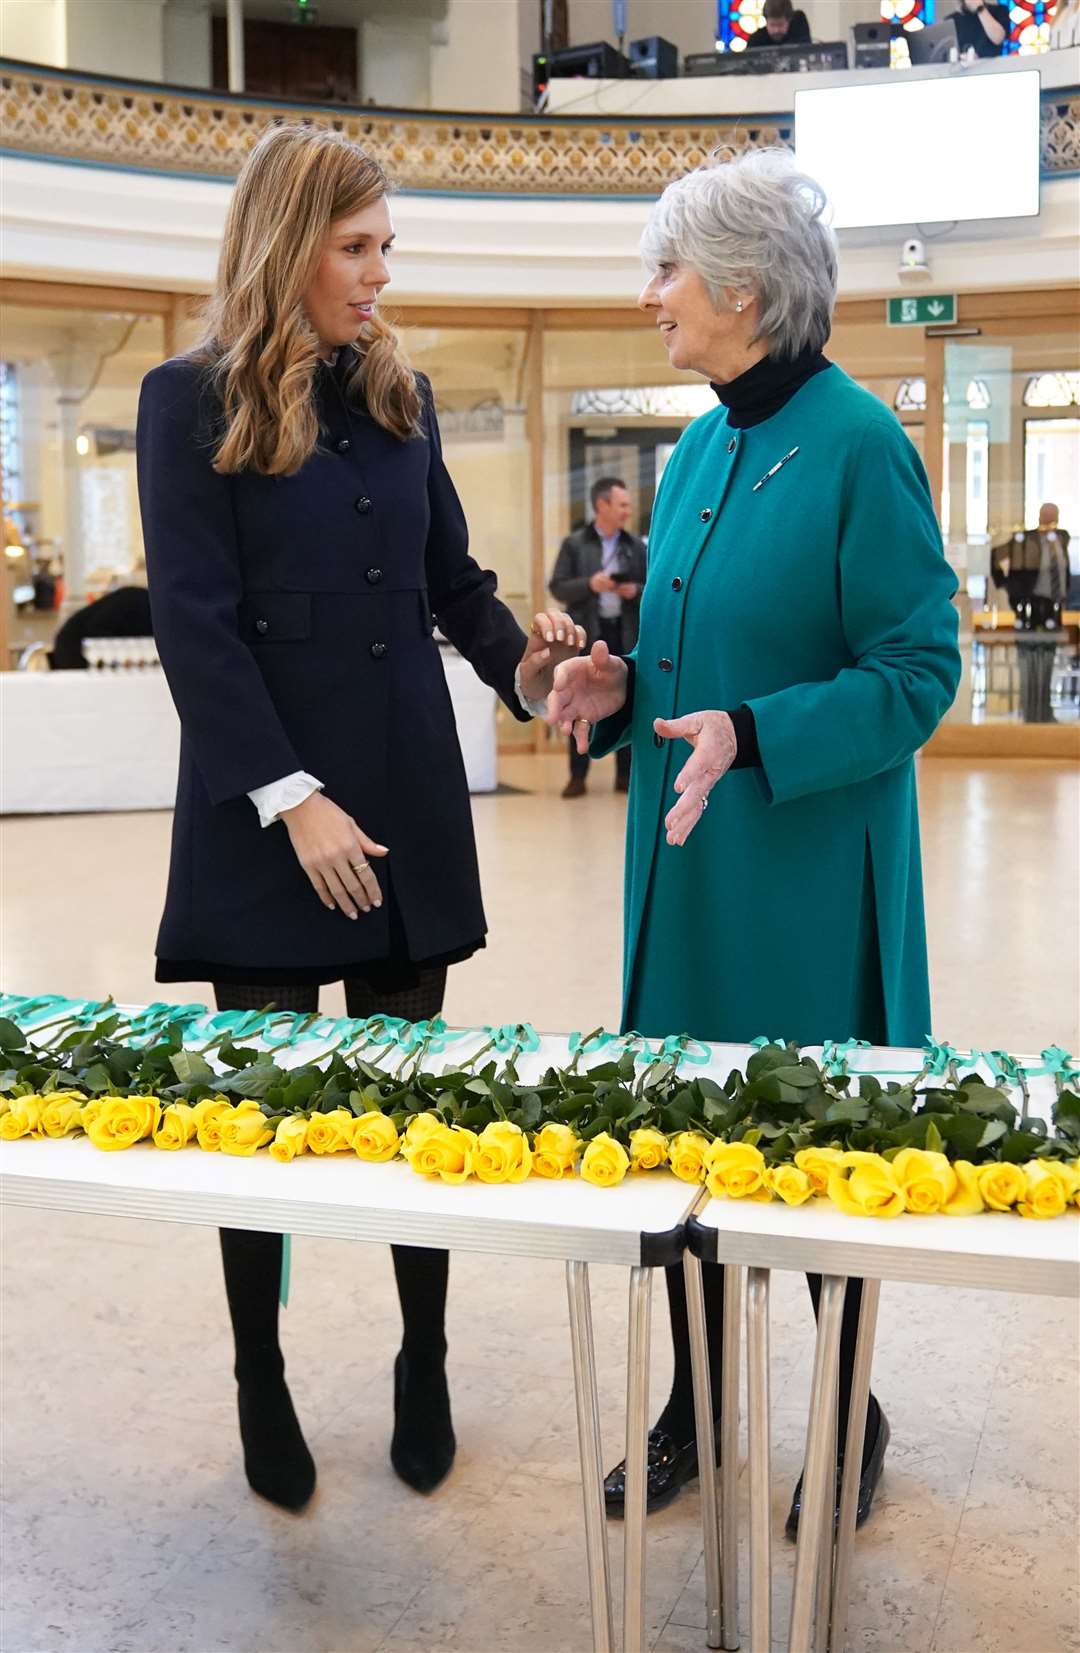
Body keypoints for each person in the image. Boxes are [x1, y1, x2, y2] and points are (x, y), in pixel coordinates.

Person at [136, 123, 582, 1516]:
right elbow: (196, 628)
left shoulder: (404, 398)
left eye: (388, 248)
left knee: (412, 1106)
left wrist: (530, 665)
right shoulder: (185, 397)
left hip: (398, 805)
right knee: (256, 1119)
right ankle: (259, 1376)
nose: (382, 275)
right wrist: (290, 799)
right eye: (358, 248)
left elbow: (453, 583)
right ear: (289, 247)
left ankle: (423, 1358)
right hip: (268, 815)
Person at [549, 148, 960, 1531]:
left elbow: (917, 671)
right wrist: (621, 694)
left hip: (803, 884)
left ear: (738, 285)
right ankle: (695, 1407)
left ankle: (852, 1415)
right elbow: (688, 659)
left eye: (664, 270)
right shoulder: (705, 441)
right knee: (682, 1159)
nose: (649, 295)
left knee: (812, 1155)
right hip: (687, 877)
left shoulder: (857, 444)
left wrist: (760, 732)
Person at [549, 476, 646, 797]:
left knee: (626, 698)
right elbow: (558, 586)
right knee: (578, 701)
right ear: (601, 505)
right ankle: (577, 776)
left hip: (625, 632)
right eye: (622, 504)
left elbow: (656, 590)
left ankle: (624, 776)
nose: (627, 511)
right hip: (587, 634)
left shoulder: (634, 546)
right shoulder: (575, 544)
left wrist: (635, 591)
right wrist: (590, 585)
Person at [49, 565, 152, 668]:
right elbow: (95, 627)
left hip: (75, 644)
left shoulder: (138, 599)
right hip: (74, 647)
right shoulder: (139, 604)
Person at [991, 503, 1072, 625]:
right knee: (1030, 635)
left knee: (1053, 635)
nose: (1049, 520)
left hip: (1056, 599)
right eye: (1046, 515)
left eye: (1052, 516)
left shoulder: (1061, 538)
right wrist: (1004, 582)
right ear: (1040, 517)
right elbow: (997, 554)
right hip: (1031, 599)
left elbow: (1063, 567)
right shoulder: (1025, 539)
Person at [747, 0, 812, 48]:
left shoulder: (799, 28)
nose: (776, 30)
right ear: (766, 21)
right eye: (772, 25)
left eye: (780, 25)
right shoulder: (755, 40)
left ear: (789, 21)